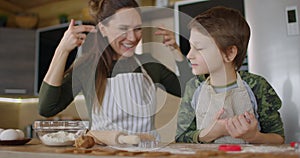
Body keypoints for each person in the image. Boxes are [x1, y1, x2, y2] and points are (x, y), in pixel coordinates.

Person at [38, 0, 191, 138]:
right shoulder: (86, 67)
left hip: (146, 153)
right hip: (103, 154)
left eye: (137, 28)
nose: (132, 38)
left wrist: (175, 50)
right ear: (103, 29)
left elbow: (190, 91)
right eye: (123, 29)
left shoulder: (148, 63)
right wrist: (62, 50)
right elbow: (47, 108)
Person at [175, 6, 284, 144]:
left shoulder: (257, 86)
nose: (190, 55)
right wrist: (210, 133)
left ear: (229, 53)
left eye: (199, 48)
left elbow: (278, 139)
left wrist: (253, 136)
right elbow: (180, 138)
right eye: (191, 47)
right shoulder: (193, 88)